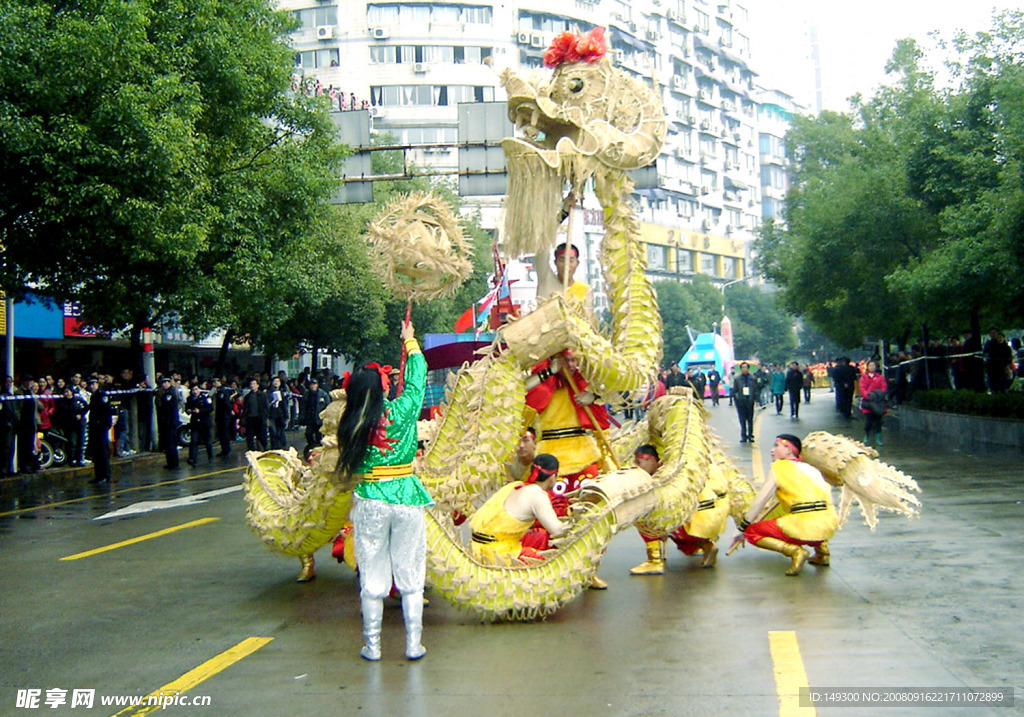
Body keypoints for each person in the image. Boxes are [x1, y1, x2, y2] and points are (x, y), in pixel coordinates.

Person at [338, 319, 432, 662]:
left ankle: (373, 645)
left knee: (373, 572)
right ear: (381, 388)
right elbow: (417, 382)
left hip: (371, 498)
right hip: (407, 495)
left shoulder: (350, 424)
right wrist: (410, 342)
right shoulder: (402, 411)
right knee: (410, 570)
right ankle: (412, 644)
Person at [524, 349, 611, 589]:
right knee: (550, 516)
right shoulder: (543, 375)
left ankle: (589, 568)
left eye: (575, 360)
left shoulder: (585, 379)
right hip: (551, 458)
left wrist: (592, 396)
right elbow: (523, 390)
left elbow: (612, 390)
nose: (571, 365)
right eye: (567, 360)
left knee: (591, 513)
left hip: (584, 454)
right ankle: (555, 567)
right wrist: (550, 371)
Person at [733, 434, 837, 575]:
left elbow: (761, 500)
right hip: (828, 524)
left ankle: (795, 552)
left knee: (752, 532)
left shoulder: (779, 468)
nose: (772, 450)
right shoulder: (811, 469)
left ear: (788, 450)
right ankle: (822, 553)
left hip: (804, 525)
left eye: (776, 446)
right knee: (813, 517)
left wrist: (743, 527)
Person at [470, 453, 568, 563]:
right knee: (551, 562)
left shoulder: (516, 485)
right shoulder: (537, 494)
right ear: (552, 477)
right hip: (498, 552)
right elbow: (558, 531)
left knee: (540, 538)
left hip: (477, 547)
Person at [536, 242, 593, 314]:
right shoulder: (546, 279)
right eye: (562, 260)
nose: (566, 265)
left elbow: (588, 319)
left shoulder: (585, 290)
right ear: (555, 262)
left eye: (571, 260)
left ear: (577, 263)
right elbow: (542, 251)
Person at [87, 376, 115, 484]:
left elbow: (106, 410)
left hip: (100, 427)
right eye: (90, 384)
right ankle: (98, 475)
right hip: (94, 427)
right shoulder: (94, 396)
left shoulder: (101, 395)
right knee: (97, 453)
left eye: (93, 384)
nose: (92, 386)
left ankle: (104, 475)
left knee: (102, 452)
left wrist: (105, 425)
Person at [300, 377, 331, 459]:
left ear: (317, 385)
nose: (313, 386)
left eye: (314, 384)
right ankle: (311, 445)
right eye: (311, 385)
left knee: (319, 435)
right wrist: (302, 417)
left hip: (319, 419)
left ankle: (319, 449)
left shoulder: (323, 394)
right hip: (310, 418)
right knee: (308, 433)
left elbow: (327, 406)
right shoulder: (306, 394)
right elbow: (303, 407)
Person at [859, 360, 888, 446]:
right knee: (868, 422)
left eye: (873, 365)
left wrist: (878, 396)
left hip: (878, 403)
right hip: (868, 403)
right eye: (870, 365)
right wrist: (867, 396)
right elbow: (862, 388)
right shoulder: (863, 377)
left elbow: (884, 387)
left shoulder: (880, 377)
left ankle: (878, 438)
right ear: (867, 367)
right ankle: (867, 436)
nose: (872, 367)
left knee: (878, 422)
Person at [186, 384, 214, 466]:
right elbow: (187, 408)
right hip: (195, 423)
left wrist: (200, 411)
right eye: (193, 390)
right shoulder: (190, 399)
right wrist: (189, 410)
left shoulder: (204, 397)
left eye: (196, 389)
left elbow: (210, 408)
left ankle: (210, 457)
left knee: (207, 441)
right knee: (194, 441)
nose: (194, 391)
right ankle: (192, 458)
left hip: (204, 422)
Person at [156, 376, 180, 469]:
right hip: (169, 421)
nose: (164, 384)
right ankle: (172, 461)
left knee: (170, 443)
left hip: (169, 421)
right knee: (170, 443)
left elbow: (165, 407)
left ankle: (172, 462)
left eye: (166, 383)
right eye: (163, 383)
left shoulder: (169, 393)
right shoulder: (168, 392)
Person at [732, 362, 756, 443]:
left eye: (746, 367)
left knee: (750, 419)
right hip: (741, 403)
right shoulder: (737, 379)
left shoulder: (752, 378)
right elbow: (734, 391)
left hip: (750, 401)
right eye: (743, 367)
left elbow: (756, 390)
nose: (744, 369)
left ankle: (750, 435)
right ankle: (743, 436)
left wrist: (756, 399)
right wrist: (736, 399)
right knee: (742, 420)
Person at [243, 378, 269, 451]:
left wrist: (265, 416)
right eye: (251, 384)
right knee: (250, 436)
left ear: (257, 385)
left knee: (261, 436)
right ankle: (251, 450)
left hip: (260, 418)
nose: (252, 386)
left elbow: (266, 406)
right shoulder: (247, 396)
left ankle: (263, 449)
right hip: (250, 418)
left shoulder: (263, 395)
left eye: (254, 384)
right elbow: (245, 408)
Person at [213, 377, 236, 457]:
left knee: (224, 433)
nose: (214, 384)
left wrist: (230, 411)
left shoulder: (223, 391)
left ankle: (226, 450)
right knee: (222, 434)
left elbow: (226, 403)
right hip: (221, 416)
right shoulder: (219, 391)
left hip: (223, 416)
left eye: (215, 382)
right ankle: (224, 449)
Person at [267, 376, 288, 450]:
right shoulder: (268, 392)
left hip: (280, 414)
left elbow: (284, 405)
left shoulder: (282, 392)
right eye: (275, 381)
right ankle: (275, 446)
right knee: (273, 431)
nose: (276, 383)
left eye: (278, 381)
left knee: (281, 430)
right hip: (272, 415)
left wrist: (286, 415)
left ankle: (281, 445)